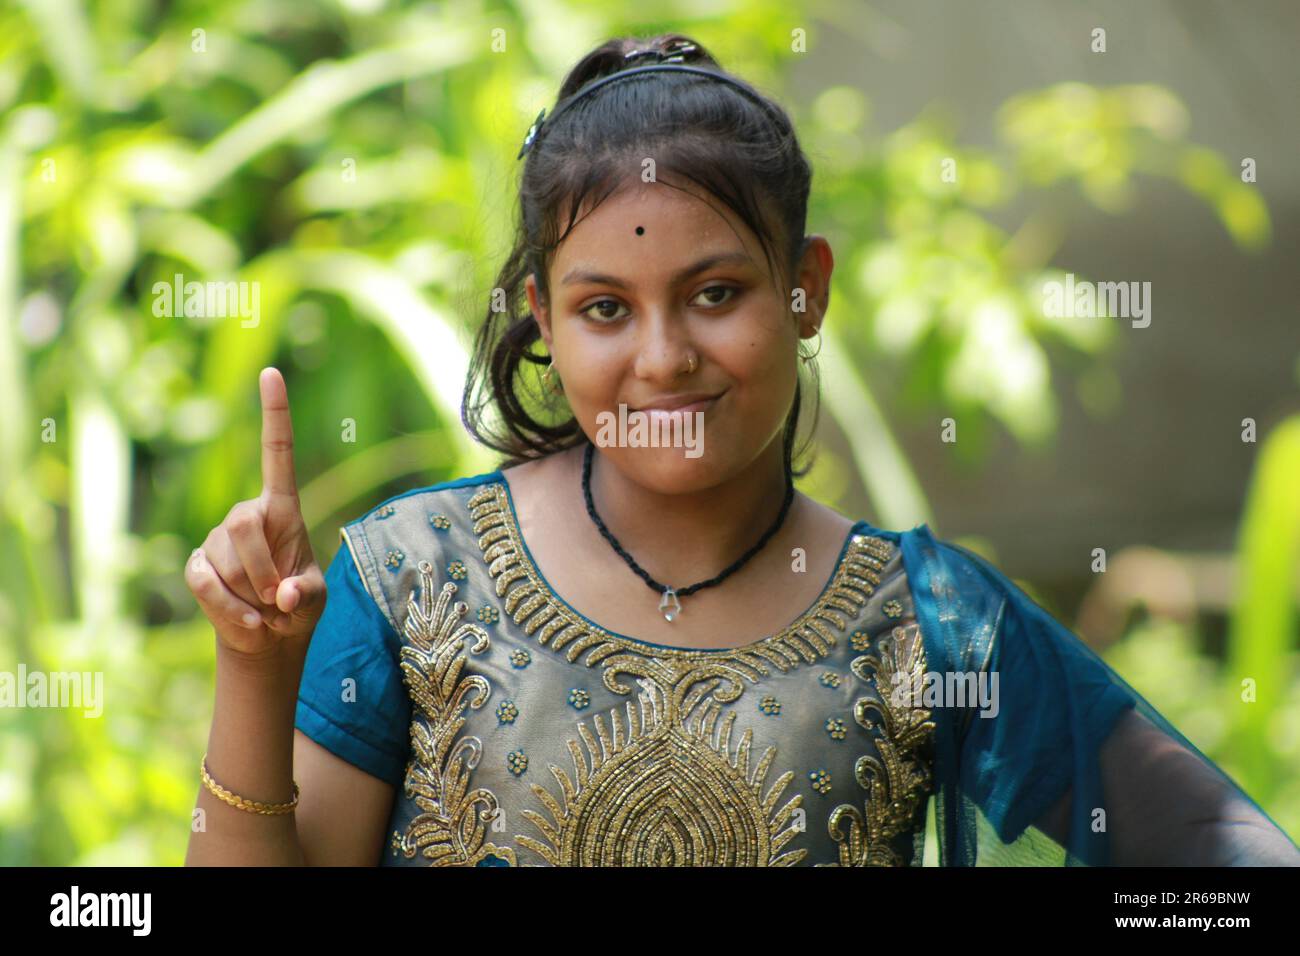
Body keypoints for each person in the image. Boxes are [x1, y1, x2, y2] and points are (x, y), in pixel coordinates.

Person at [184, 34, 1300, 867]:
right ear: (543, 314)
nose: (663, 356)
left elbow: (1212, 845)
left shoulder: (926, 620)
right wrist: (249, 663)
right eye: (605, 308)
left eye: (714, 293)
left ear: (803, 288)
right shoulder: (411, 578)